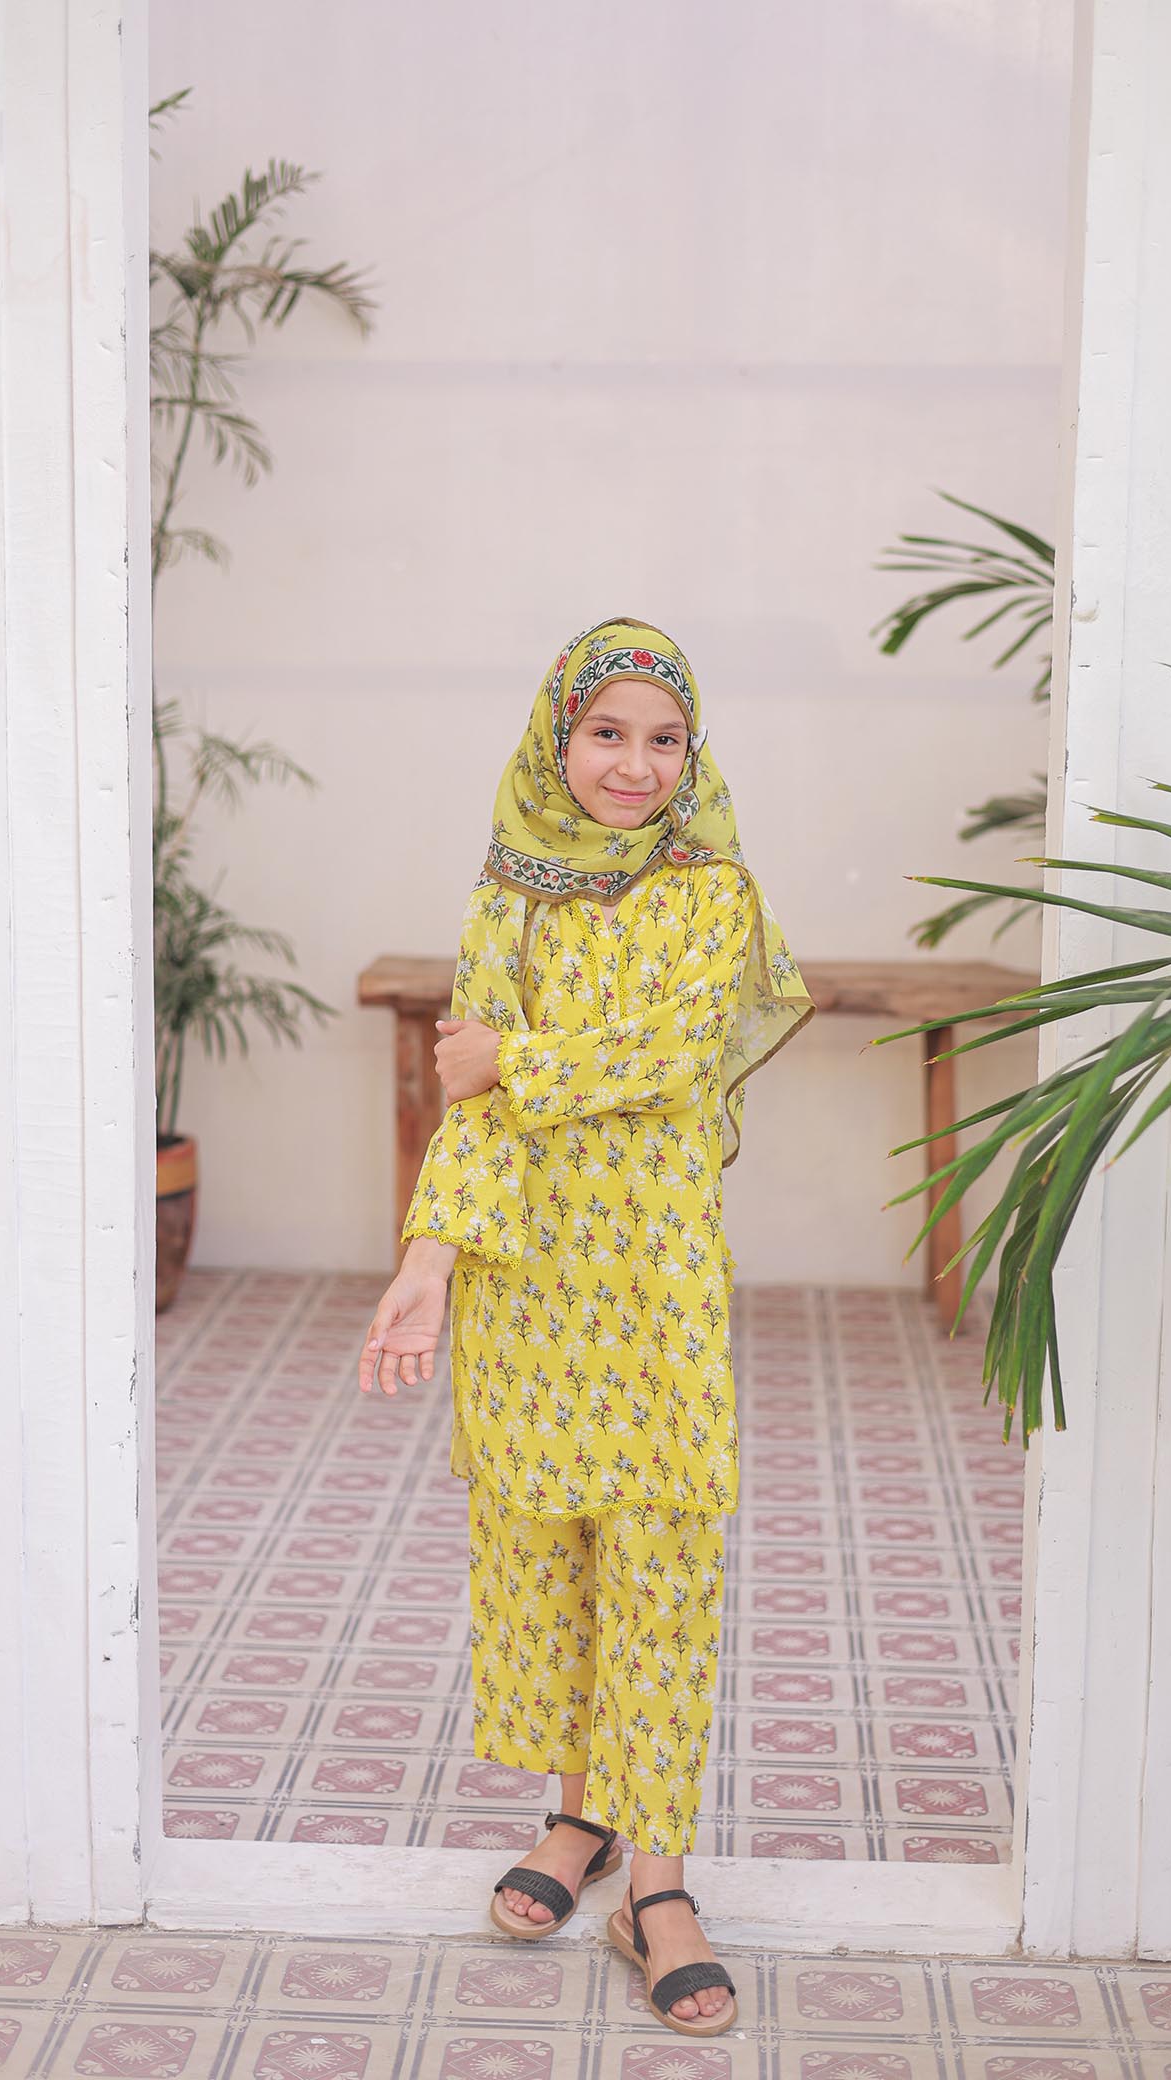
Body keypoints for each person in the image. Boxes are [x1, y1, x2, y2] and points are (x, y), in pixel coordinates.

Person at [358, 617, 813, 2037]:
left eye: (662, 738)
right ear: (560, 737)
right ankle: (577, 1825)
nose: (634, 764)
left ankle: (655, 1888)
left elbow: (679, 1057)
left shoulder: (711, 892)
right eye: (606, 733)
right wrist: (426, 1266)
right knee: (545, 1568)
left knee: (662, 1571)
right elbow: (471, 1099)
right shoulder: (513, 895)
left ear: (693, 751)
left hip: (653, 1294)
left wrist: (520, 1054)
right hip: (525, 1293)